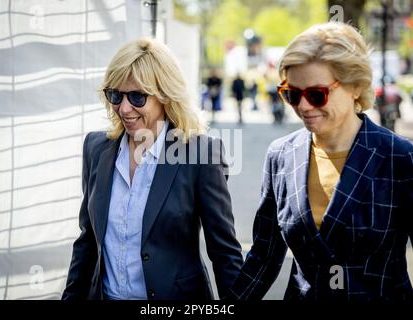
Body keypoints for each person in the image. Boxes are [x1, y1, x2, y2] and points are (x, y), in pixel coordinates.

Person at [228, 22, 413, 301]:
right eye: (291, 94)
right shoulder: (281, 155)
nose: (302, 106)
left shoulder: (399, 157)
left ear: (356, 87)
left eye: (316, 94)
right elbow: (264, 257)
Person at [62, 38, 243, 300]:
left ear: (165, 95)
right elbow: (87, 241)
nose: (124, 108)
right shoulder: (95, 148)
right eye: (115, 95)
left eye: (137, 96)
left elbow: (225, 253)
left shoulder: (200, 154)